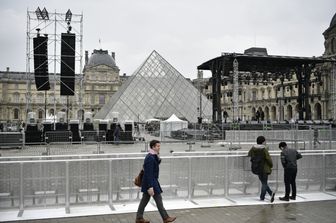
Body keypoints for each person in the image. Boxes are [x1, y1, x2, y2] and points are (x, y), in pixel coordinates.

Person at [135, 140, 176, 223]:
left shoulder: (153, 156)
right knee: (158, 199)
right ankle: (165, 218)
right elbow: (148, 173)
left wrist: (158, 157)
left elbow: (154, 166)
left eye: (159, 146)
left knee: (145, 200)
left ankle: (139, 218)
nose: (159, 147)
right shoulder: (150, 157)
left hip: (150, 181)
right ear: (153, 147)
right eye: (157, 146)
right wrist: (150, 186)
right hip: (151, 182)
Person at [248, 136, 275, 202]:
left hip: (257, 167)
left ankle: (271, 193)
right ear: (263, 142)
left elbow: (249, 154)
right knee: (264, 183)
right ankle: (262, 197)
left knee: (263, 182)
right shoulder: (264, 149)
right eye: (265, 141)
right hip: (264, 168)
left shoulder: (253, 148)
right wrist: (271, 165)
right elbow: (268, 158)